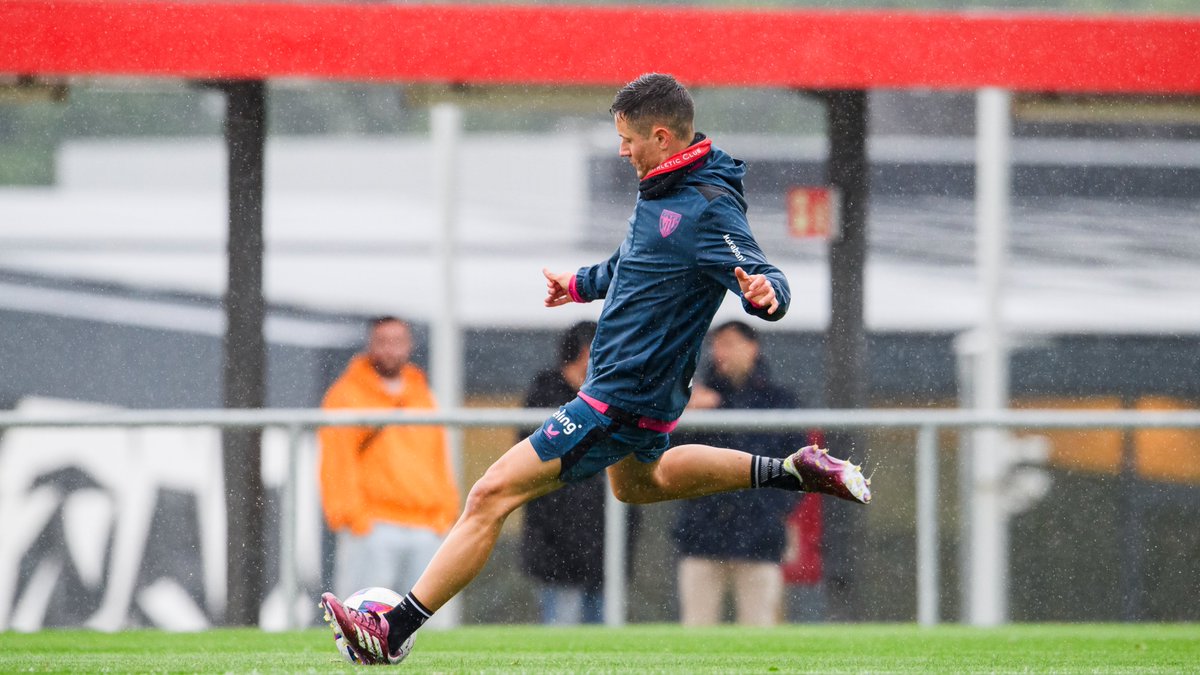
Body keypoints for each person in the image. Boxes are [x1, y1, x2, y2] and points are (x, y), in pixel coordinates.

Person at [321, 73, 870, 665]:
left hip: (620, 394)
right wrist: (581, 284)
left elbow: (764, 273)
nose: (622, 150)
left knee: (489, 494)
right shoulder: (664, 189)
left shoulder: (707, 205)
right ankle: (791, 470)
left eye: (628, 139)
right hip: (646, 394)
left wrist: (770, 293)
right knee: (642, 484)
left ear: (661, 136)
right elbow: (636, 262)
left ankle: (394, 627)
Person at [672, 320, 805, 626]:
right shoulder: (691, 399)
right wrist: (678, 416)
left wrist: (773, 509)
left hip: (759, 536)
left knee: (759, 630)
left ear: (752, 348)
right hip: (702, 535)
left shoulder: (779, 402)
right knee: (697, 631)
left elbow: (798, 465)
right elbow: (671, 459)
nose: (721, 352)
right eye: (717, 344)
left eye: (729, 343)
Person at [318, 316, 460, 599]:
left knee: (426, 626)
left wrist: (445, 511)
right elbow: (336, 461)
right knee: (361, 620)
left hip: (425, 525)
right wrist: (353, 517)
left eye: (398, 342)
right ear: (370, 345)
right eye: (383, 342)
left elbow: (439, 457)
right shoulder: (347, 394)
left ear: (409, 346)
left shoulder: (422, 394)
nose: (390, 350)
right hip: (374, 524)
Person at [519, 321, 640, 625]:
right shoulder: (544, 395)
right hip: (558, 546)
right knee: (561, 632)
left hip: (607, 545)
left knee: (605, 641)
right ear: (584, 353)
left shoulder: (622, 393)